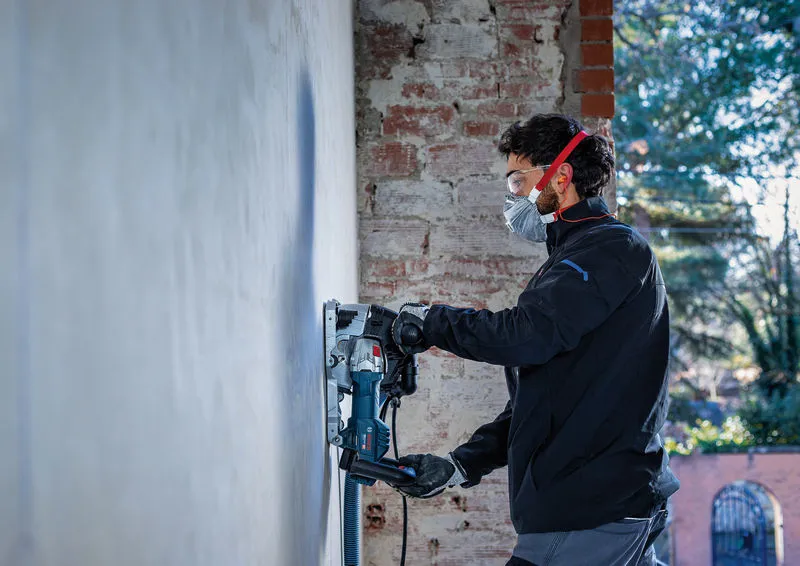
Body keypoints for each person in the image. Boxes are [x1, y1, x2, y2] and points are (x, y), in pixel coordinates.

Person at [390, 114, 680, 566]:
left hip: (591, 507)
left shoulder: (610, 250)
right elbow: (544, 400)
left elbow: (526, 335)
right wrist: (461, 465)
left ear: (560, 176)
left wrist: (431, 322)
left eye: (517, 180)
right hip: (592, 505)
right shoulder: (576, 257)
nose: (514, 195)